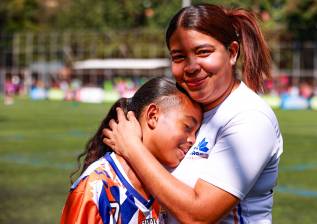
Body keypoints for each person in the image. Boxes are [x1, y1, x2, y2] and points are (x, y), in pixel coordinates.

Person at [103, 3, 283, 224]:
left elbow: (198, 215)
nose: (191, 66)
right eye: (178, 57)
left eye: (203, 52)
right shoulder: (185, 110)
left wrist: (132, 147)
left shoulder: (249, 116)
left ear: (232, 52)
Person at [61, 77, 202, 224]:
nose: (193, 140)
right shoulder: (95, 188)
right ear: (153, 116)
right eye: (187, 127)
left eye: (195, 133)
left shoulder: (169, 186)